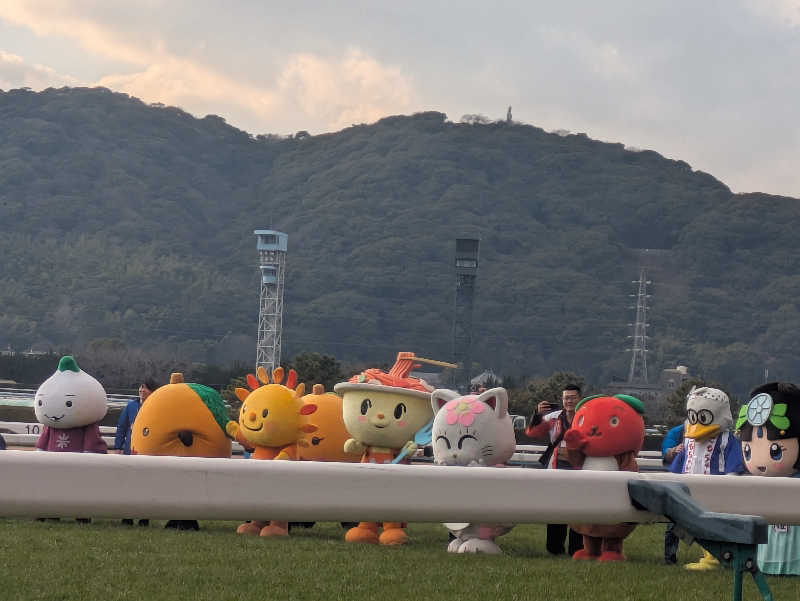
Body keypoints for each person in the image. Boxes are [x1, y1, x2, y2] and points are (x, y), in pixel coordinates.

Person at [525, 383, 583, 556]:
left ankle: (577, 548)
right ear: (562, 399)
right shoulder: (553, 417)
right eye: (566, 398)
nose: (569, 401)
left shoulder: (587, 416)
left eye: (572, 397)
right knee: (556, 508)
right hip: (556, 468)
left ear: (580, 398)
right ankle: (554, 548)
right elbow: (532, 432)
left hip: (579, 469)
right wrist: (537, 414)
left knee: (578, 510)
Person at [116, 377, 158, 527]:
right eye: (140, 387)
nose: (141, 390)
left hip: (148, 452)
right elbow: (122, 427)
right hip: (129, 451)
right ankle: (127, 516)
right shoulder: (131, 406)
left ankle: (144, 517)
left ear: (152, 391)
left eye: (145, 388)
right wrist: (118, 447)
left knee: (145, 486)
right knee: (128, 485)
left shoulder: (158, 407)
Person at [661, 423, 684, 564]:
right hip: (679, 482)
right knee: (673, 521)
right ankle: (670, 557)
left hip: (703, 481)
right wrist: (674, 450)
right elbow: (666, 452)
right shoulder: (677, 431)